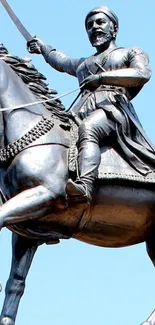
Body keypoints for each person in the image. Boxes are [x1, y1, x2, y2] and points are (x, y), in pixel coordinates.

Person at [27, 6, 155, 203]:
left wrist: (102, 78)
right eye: (89, 25)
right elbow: (60, 61)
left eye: (100, 22)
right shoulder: (84, 64)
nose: (94, 28)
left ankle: (85, 186)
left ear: (114, 28)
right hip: (80, 110)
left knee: (89, 128)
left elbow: (142, 74)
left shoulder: (130, 52)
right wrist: (43, 48)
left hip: (113, 110)